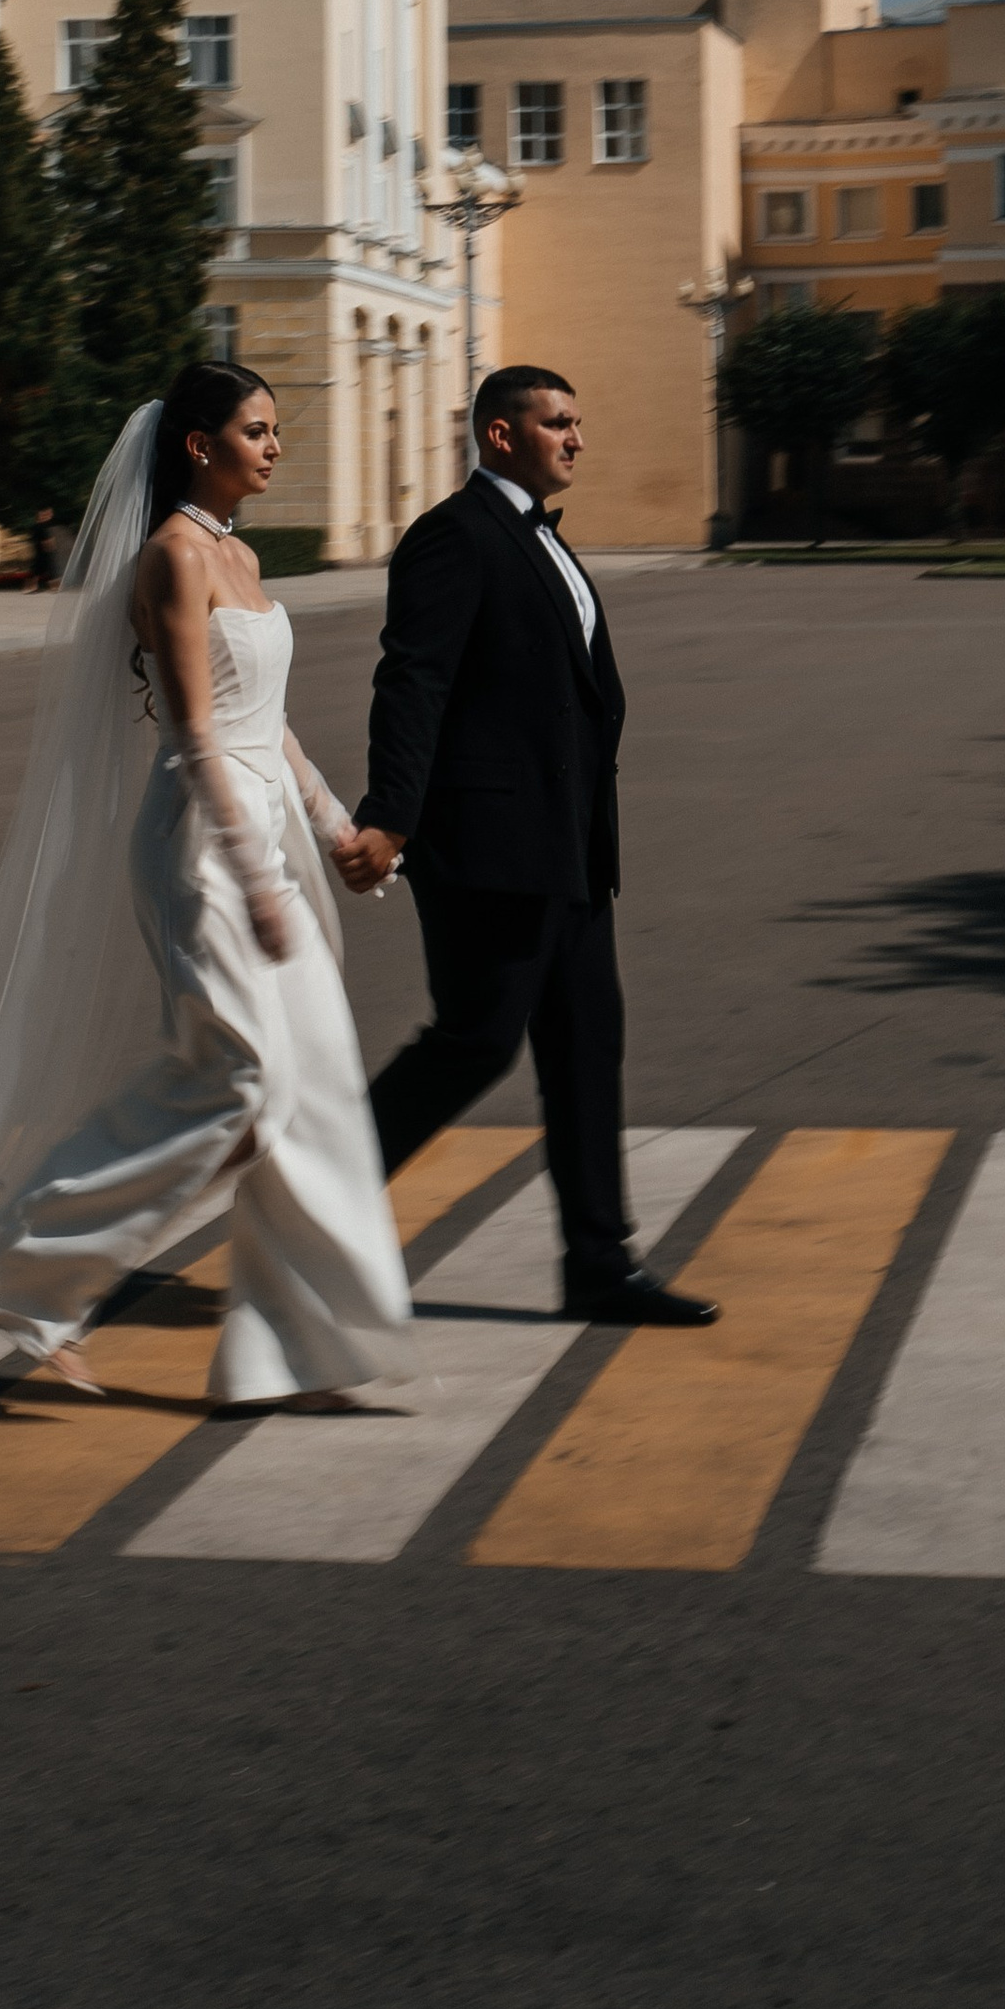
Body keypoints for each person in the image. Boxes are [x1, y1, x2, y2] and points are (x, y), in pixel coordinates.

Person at [0, 367, 413, 1411]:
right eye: (256, 430)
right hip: (199, 842)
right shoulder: (175, 557)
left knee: (310, 1083)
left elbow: (264, 719)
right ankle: (20, 1270)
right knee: (234, 1076)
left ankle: (304, 1351)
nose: (275, 447)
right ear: (196, 443)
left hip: (262, 830)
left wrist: (336, 830)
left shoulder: (240, 551)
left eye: (276, 430)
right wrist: (248, 869)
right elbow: (193, 730)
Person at [336, 364, 718, 1328]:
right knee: (475, 1040)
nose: (577, 439)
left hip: (572, 851)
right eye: (559, 424)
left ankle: (599, 1263)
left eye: (578, 422)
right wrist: (390, 812)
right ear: (501, 436)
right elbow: (412, 680)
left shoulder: (540, 541)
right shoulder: (455, 537)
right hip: (491, 844)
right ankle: (312, 1197)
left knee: (588, 1046)